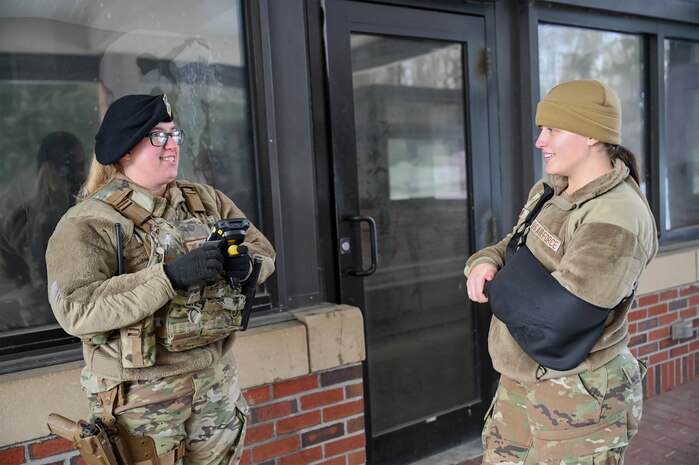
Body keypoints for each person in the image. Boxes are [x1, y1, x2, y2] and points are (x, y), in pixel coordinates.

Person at [46, 94, 275, 465]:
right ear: (124, 150)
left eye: (174, 134)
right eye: (158, 137)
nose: (172, 146)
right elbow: (75, 307)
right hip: (142, 396)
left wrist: (246, 267)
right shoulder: (89, 221)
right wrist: (170, 277)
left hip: (215, 380)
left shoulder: (204, 200)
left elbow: (262, 249)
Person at [465, 80, 657, 464]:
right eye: (541, 129)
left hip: (577, 395)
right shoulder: (552, 190)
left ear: (590, 134)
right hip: (520, 381)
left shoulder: (616, 216)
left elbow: (557, 321)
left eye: (552, 129)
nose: (540, 141)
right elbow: (514, 246)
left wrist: (500, 289)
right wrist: (485, 261)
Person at [0, 131, 85, 330]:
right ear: (50, 171)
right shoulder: (22, 220)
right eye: (68, 169)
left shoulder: (88, 209)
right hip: (42, 323)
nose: (78, 175)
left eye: (80, 166)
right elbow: (12, 269)